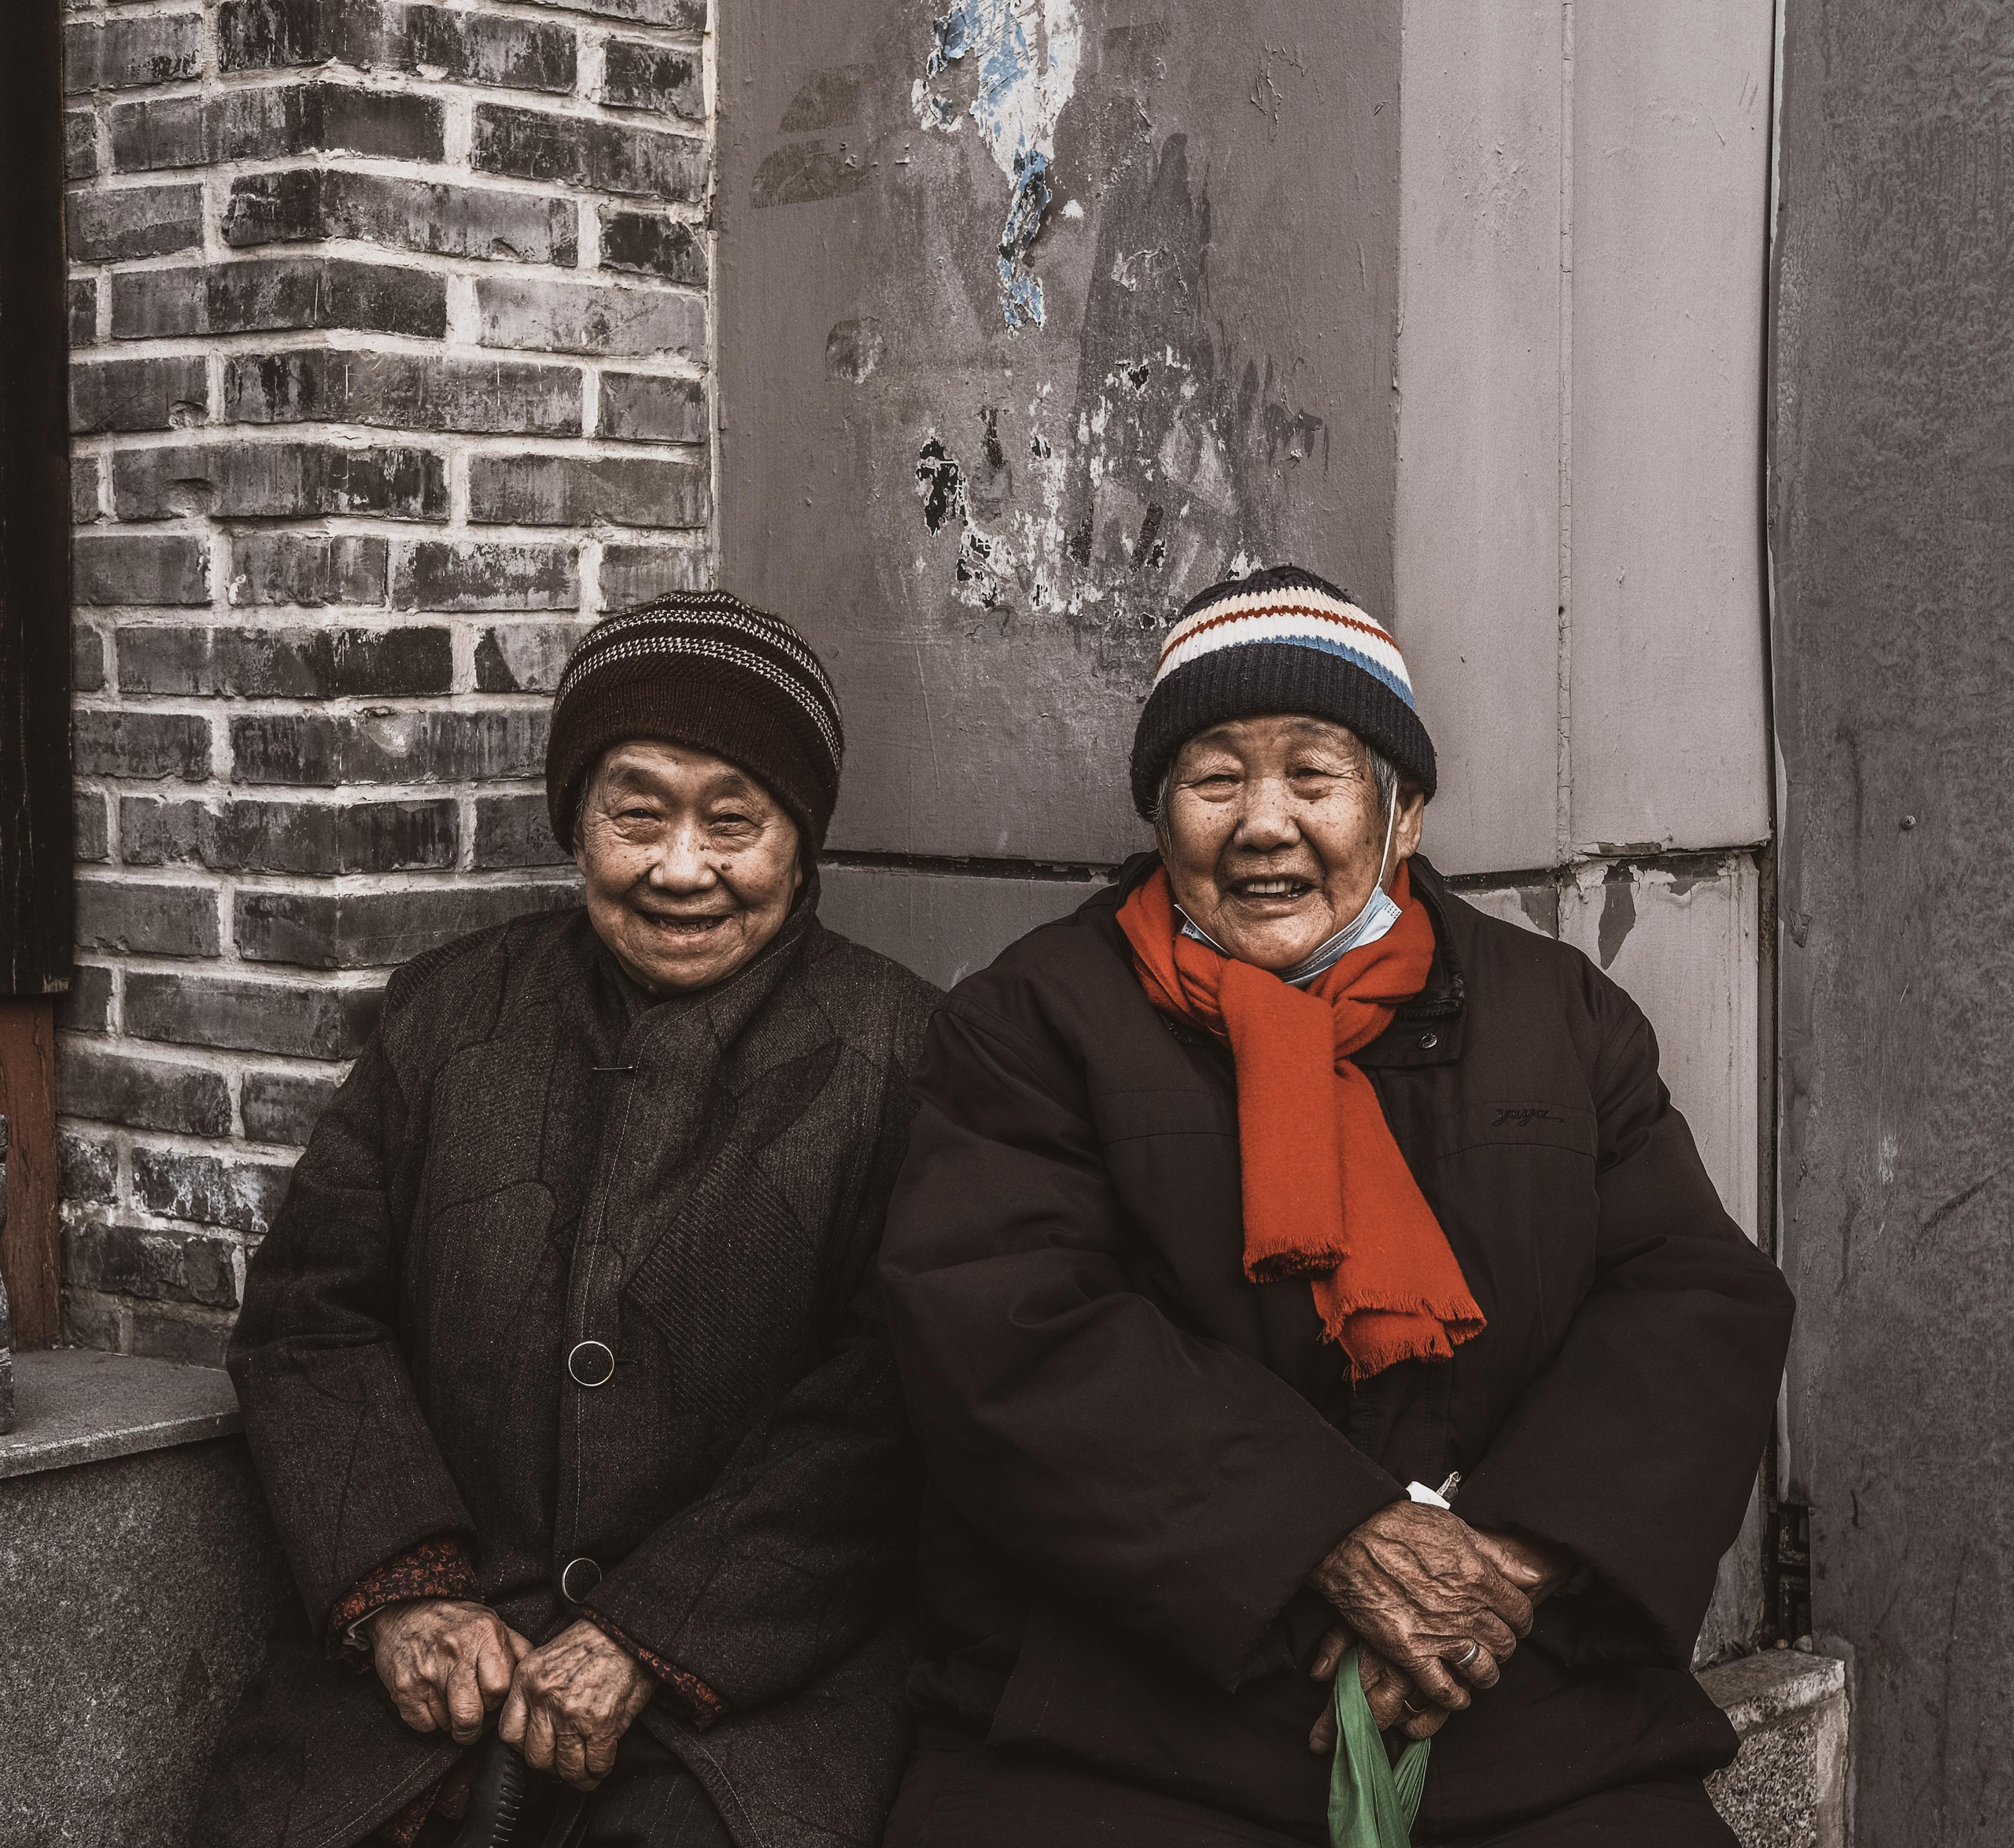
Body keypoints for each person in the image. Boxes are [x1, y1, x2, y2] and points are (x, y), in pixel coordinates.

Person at [877, 566, 1795, 1846]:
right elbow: (1006, 1326)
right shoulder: (1034, 1020)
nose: (1263, 825)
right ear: (1161, 811)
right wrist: (1323, 1535)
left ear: (1404, 812)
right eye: (1215, 779)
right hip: (1140, 1710)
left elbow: (1693, 1298)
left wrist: (1508, 1568)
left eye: (1315, 776)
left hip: (1512, 1697)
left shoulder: (1558, 1018)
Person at [194, 592, 940, 1848]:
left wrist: (656, 1632)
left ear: (801, 843)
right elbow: (313, 1317)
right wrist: (408, 1594)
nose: (682, 867)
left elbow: (887, 1401)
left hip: (751, 1686)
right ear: (576, 824)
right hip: (449, 1657)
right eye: (636, 813)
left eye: (735, 822)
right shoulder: (449, 1018)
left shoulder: (898, 1052)